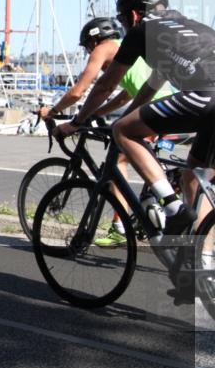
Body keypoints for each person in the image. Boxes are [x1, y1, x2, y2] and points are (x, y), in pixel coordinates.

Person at [54, 0, 215, 237]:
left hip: (205, 95)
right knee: (193, 178)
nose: (123, 25)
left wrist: (76, 121)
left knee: (123, 131)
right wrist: (131, 114)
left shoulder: (142, 31)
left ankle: (172, 207)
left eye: (121, 18)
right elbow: (151, 86)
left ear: (133, 15)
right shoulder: (188, 29)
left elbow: (105, 86)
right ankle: (203, 265)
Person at [39, 17, 174, 246]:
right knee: (126, 152)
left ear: (93, 41)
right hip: (166, 105)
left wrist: (52, 111)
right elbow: (127, 94)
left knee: (119, 160)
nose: (89, 54)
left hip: (153, 109)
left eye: (87, 48)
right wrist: (96, 113)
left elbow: (79, 91)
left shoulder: (103, 49)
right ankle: (154, 202)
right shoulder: (126, 47)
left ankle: (121, 227)